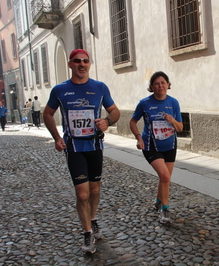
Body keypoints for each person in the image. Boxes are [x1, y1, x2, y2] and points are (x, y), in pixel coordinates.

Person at [43, 49, 120, 254]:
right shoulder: (60, 90)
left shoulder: (99, 87)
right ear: (70, 64)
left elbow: (115, 111)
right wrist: (57, 138)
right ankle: (87, 234)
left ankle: (93, 220)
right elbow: (47, 114)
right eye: (77, 61)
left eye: (85, 61)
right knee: (83, 193)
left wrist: (107, 121)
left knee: (95, 190)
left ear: (89, 64)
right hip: (74, 148)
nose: (82, 64)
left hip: (94, 146)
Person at [129, 71, 183, 224]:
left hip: (170, 145)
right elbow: (132, 122)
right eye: (157, 84)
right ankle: (165, 210)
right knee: (165, 176)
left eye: (163, 83)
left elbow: (180, 128)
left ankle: (159, 200)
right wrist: (138, 138)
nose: (160, 86)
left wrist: (172, 120)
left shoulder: (173, 103)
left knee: (165, 178)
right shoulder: (145, 103)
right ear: (152, 87)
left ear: (168, 85)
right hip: (151, 146)